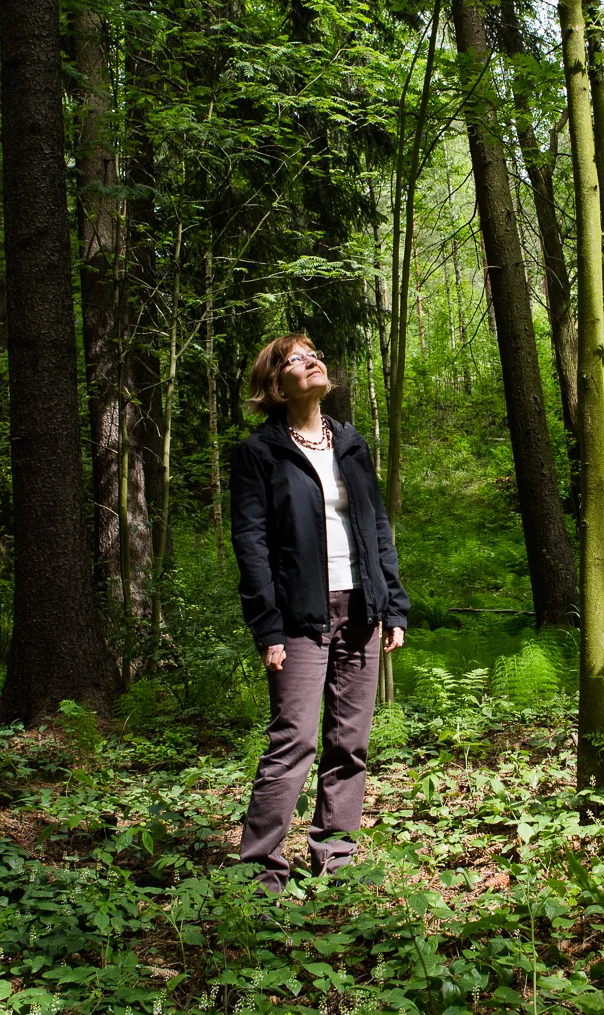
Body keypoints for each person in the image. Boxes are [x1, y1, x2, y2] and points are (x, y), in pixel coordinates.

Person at [231, 333, 409, 893]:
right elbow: (251, 544)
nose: (313, 363)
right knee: (294, 740)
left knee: (350, 741)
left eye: (315, 354)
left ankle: (336, 858)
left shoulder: (352, 445)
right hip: (299, 615)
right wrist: (267, 625)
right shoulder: (259, 453)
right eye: (296, 360)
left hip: (362, 608)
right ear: (275, 386)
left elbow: (378, 528)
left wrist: (394, 604)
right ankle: (260, 870)